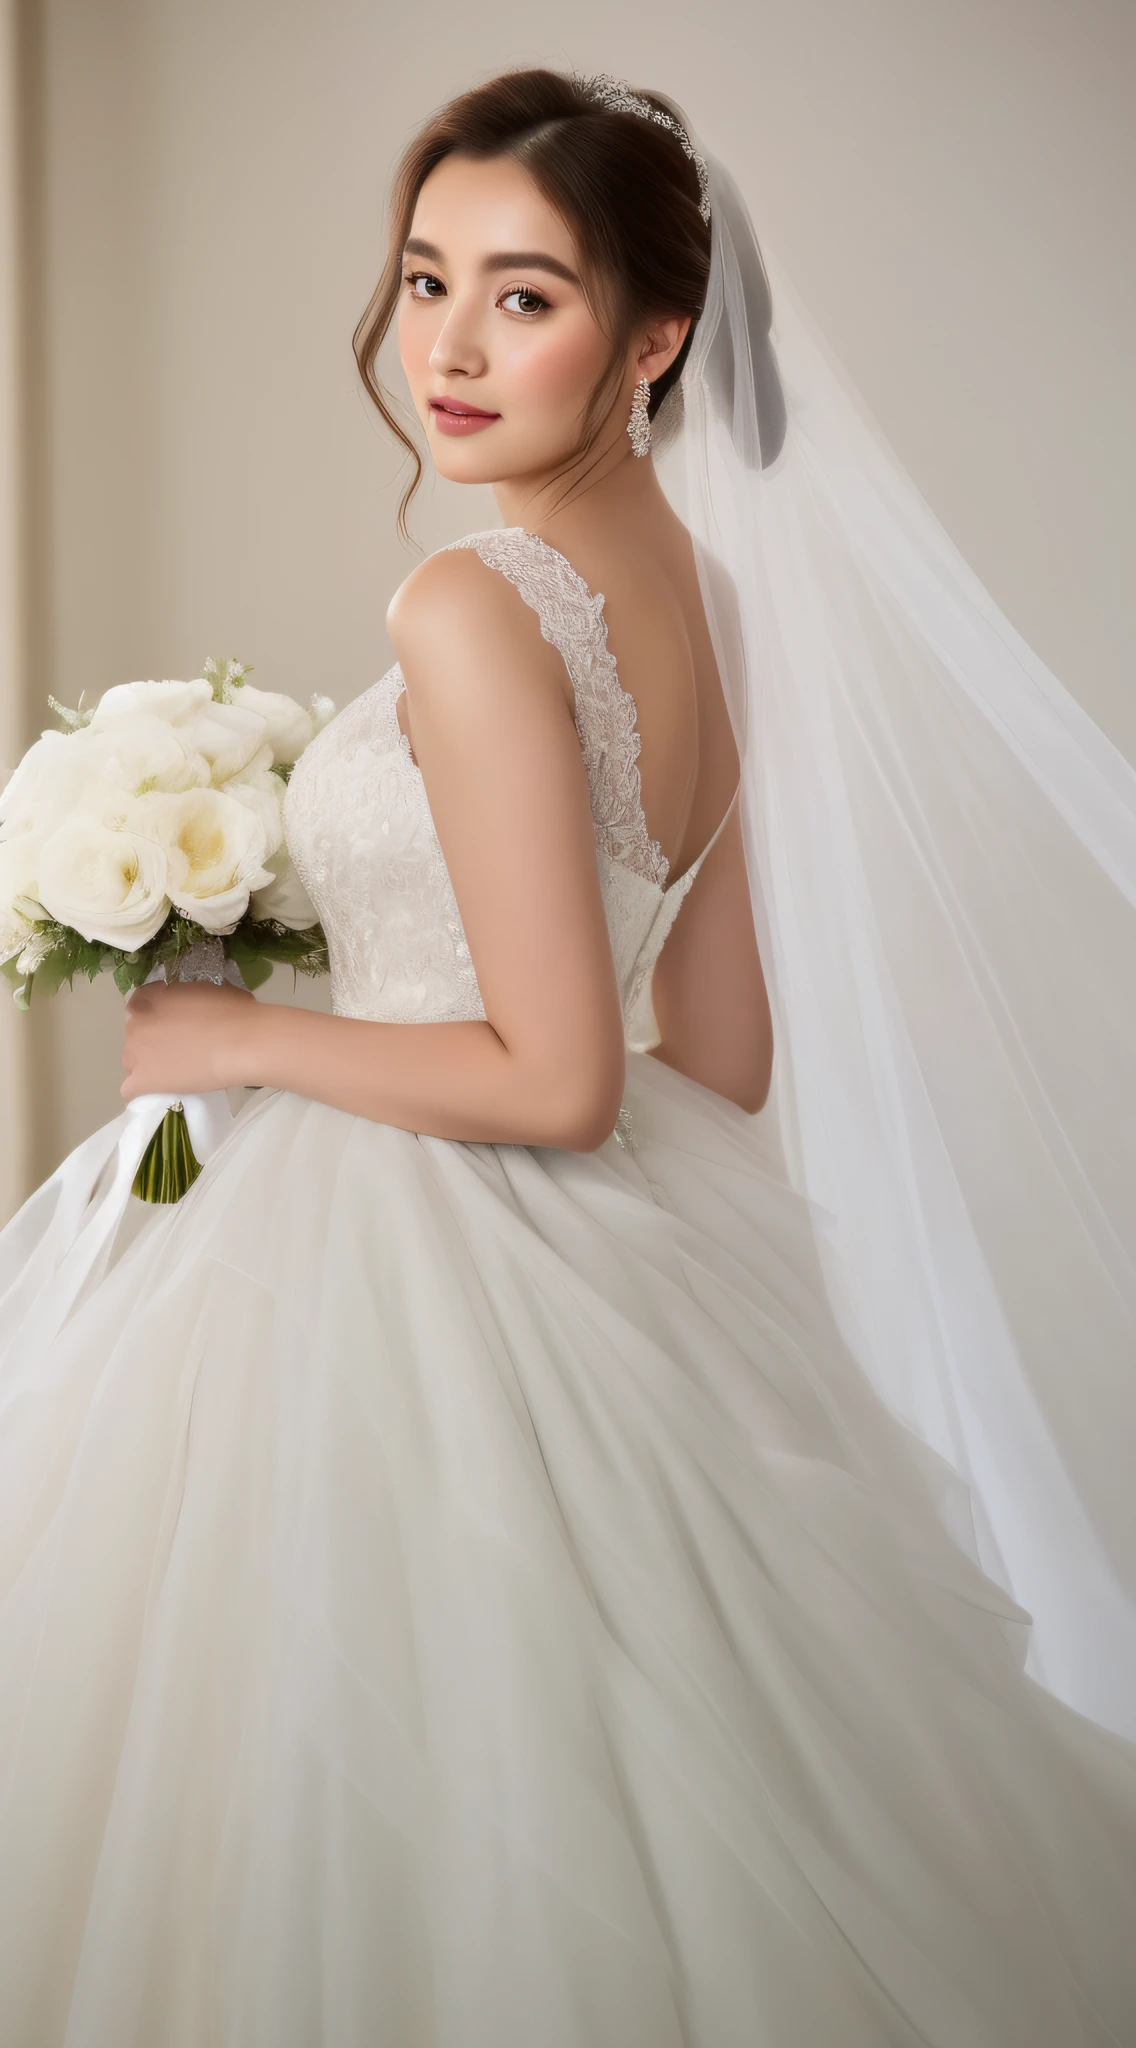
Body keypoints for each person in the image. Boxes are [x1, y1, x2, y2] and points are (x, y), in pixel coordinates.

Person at [0, 65, 1133, 2048]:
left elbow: (559, 1082)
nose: (443, 344)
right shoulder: (715, 609)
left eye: (522, 296)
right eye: (426, 277)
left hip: (390, 1256)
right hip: (619, 1268)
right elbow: (724, 1051)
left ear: (656, 332)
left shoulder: (467, 599)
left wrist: (244, 1030)